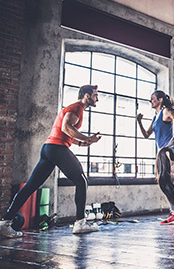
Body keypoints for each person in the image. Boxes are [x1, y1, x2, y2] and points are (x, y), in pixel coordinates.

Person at [0, 85, 102, 238]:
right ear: (87, 96)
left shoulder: (74, 109)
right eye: (95, 95)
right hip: (57, 149)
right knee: (81, 181)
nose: (97, 98)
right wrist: (88, 138)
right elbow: (66, 127)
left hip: (49, 149)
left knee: (30, 186)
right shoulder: (77, 108)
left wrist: (81, 143)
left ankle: (5, 223)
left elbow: (65, 132)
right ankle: (80, 222)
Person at [137, 90, 174, 224]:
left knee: (172, 181)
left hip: (169, 152)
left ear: (160, 100)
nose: (150, 101)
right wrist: (139, 121)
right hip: (161, 153)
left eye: (152, 99)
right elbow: (146, 134)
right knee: (165, 182)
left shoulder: (166, 111)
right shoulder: (156, 116)